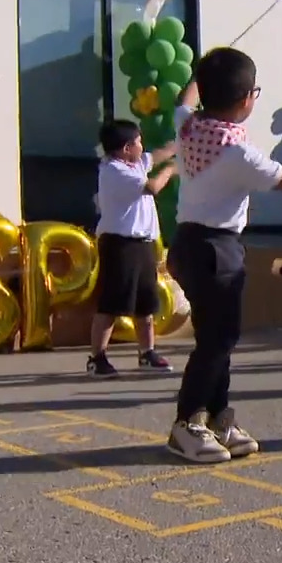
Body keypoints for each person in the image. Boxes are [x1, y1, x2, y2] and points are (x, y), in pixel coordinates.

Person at [165, 47, 282, 464]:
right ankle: (187, 423)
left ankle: (219, 417)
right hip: (216, 249)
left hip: (187, 243)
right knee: (218, 340)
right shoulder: (237, 152)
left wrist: (198, 76)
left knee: (217, 336)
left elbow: (184, 101)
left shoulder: (190, 126)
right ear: (247, 100)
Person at [86, 118, 180, 378]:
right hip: (120, 244)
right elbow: (152, 187)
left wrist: (179, 144)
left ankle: (147, 352)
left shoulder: (135, 163)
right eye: (138, 142)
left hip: (143, 243)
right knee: (112, 303)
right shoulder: (114, 170)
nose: (142, 146)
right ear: (126, 148)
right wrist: (171, 169)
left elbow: (157, 155)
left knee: (145, 303)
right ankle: (97, 357)